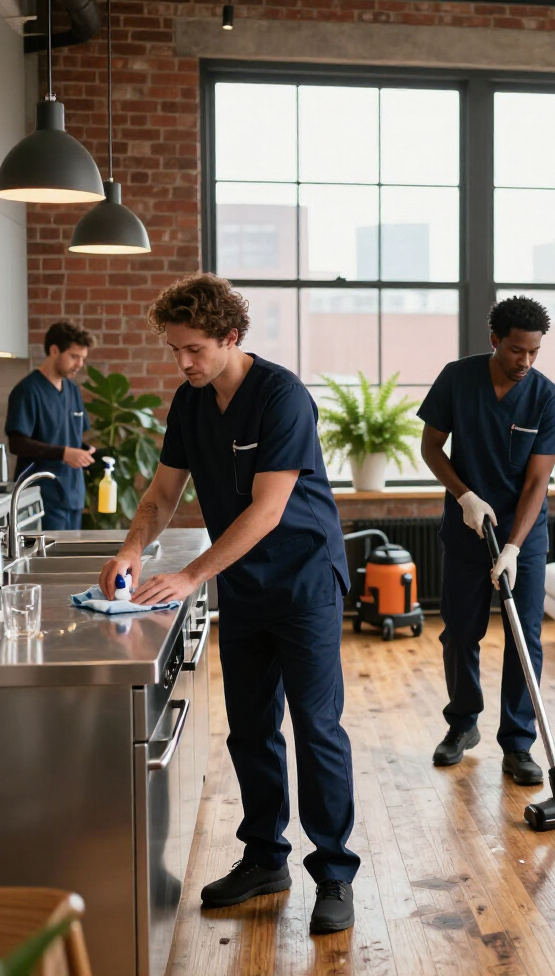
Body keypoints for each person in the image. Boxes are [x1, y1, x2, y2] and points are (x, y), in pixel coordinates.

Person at [97, 273, 359, 933]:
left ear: (230, 337)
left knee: (317, 728)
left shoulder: (281, 396)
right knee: (249, 729)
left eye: (194, 350)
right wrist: (132, 547)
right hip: (244, 585)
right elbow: (160, 497)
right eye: (175, 349)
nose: (182, 362)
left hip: (303, 580)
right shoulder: (191, 403)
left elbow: (268, 510)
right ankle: (265, 856)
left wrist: (189, 577)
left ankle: (333, 874)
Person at [419, 296, 555, 785]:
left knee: (524, 638)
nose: (525, 362)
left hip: (524, 533)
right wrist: (463, 496)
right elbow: (430, 446)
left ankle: (519, 743)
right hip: (466, 526)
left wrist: (513, 548)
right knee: (460, 631)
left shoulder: (546, 398)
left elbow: (535, 483)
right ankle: (462, 725)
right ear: (494, 341)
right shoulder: (457, 379)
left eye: (534, 353)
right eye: (516, 351)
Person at [6, 321, 96, 529]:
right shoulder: (28, 391)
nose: (80, 364)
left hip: (72, 496)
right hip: (40, 498)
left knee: (69, 560)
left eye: (83, 358)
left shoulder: (72, 391)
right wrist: (64, 453)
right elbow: (17, 443)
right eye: (74, 356)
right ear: (54, 351)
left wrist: (83, 451)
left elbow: (69, 437)